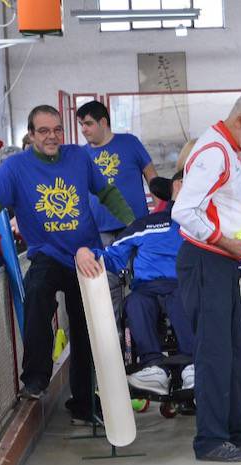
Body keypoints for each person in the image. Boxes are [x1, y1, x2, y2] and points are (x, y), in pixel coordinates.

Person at [0, 105, 135, 424]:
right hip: (47, 254)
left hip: (86, 254)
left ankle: (84, 403)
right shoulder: (15, 168)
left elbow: (107, 192)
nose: (52, 136)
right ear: (30, 135)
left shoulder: (79, 157)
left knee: (86, 329)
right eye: (43, 131)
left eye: (57, 129)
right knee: (38, 296)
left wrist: (134, 227)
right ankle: (35, 378)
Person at [172, 91, 241, 462]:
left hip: (221, 261)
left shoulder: (228, 150)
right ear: (240, 119)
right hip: (206, 261)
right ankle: (210, 439)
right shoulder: (213, 153)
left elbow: (219, 205)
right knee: (215, 353)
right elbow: (184, 211)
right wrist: (224, 240)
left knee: (236, 349)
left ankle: (239, 428)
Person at [74, 171, 195, 395]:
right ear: (175, 187)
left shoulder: (202, 225)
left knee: (185, 299)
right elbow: (111, 257)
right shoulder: (146, 224)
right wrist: (85, 253)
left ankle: (192, 365)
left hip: (183, 285)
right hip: (146, 288)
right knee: (135, 304)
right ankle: (154, 368)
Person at [77, 101, 158, 322]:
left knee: (141, 282)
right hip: (100, 232)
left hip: (134, 228)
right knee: (107, 286)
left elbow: (153, 179)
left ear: (103, 122)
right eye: (81, 125)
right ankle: (116, 340)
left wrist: (162, 213)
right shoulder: (81, 155)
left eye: (88, 124)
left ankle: (142, 333)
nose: (83, 129)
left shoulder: (130, 143)